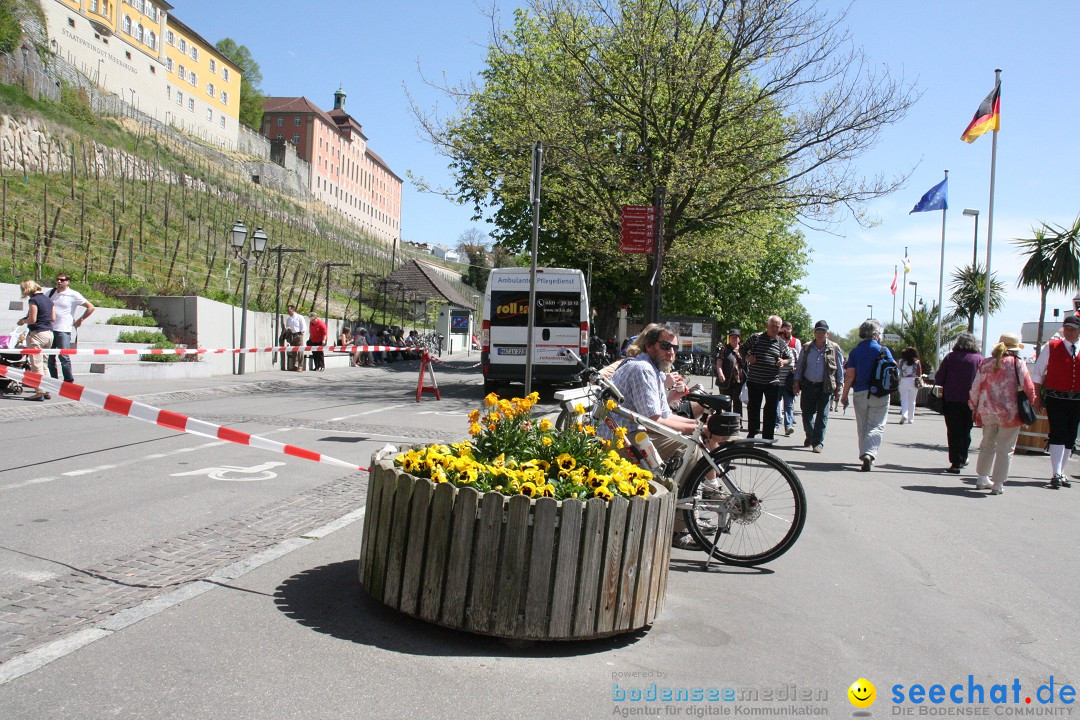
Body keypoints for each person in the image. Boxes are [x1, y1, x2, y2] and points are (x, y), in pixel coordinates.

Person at [603, 324, 716, 548]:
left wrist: (696, 426)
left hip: (634, 433)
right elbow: (654, 422)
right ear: (650, 346)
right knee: (689, 451)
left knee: (693, 441)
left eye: (675, 348)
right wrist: (694, 430)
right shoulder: (643, 369)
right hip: (621, 441)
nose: (671, 352)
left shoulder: (653, 370)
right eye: (665, 346)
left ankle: (683, 516)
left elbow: (663, 414)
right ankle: (678, 529)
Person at [968, 333, 1037, 495]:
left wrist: (973, 406)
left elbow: (975, 388)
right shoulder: (1017, 363)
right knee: (1005, 448)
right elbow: (1029, 387)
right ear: (1014, 349)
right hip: (1009, 413)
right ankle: (998, 483)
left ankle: (982, 478)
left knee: (987, 444)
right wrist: (1031, 402)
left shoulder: (985, 363)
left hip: (987, 410)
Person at [1030, 314, 1080, 488]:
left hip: (1077, 401)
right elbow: (1037, 373)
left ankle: (1061, 471)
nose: (1069, 332)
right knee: (1058, 433)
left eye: (1073, 329)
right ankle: (1056, 473)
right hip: (1055, 398)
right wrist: (1036, 397)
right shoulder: (1051, 346)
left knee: (1071, 436)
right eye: (1067, 329)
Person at [841, 319, 893, 472]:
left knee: (862, 426)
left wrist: (844, 396)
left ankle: (864, 454)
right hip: (880, 393)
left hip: (860, 392)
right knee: (876, 425)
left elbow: (850, 376)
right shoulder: (883, 350)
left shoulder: (855, 352)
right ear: (876, 334)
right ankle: (869, 453)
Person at [792, 320, 844, 453]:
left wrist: (839, 388)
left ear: (828, 333)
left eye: (822, 331)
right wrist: (796, 383)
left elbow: (839, 369)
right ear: (814, 333)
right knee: (807, 414)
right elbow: (799, 366)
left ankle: (817, 443)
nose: (819, 334)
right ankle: (810, 435)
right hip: (808, 384)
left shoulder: (835, 348)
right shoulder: (807, 347)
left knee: (823, 415)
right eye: (817, 331)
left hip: (825, 386)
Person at [934, 333, 983, 473]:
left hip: (951, 399)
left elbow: (939, 379)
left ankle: (955, 462)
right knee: (966, 430)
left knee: (953, 431)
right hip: (971, 401)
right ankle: (963, 457)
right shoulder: (979, 359)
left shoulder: (950, 357)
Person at [742, 315, 793, 440]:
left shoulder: (781, 342)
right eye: (772, 326)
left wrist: (783, 361)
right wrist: (748, 357)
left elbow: (790, 358)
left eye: (777, 326)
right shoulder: (756, 338)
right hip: (755, 380)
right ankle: (752, 432)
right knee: (753, 407)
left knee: (770, 409)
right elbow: (742, 349)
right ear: (767, 326)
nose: (775, 329)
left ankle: (768, 436)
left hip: (772, 381)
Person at [46, 273, 95, 384]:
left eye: (62, 280)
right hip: (50, 328)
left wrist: (80, 319)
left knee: (64, 356)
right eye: (57, 279)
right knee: (50, 357)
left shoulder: (73, 294)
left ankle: (68, 380)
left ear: (68, 281)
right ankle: (53, 380)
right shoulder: (51, 293)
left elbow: (91, 307)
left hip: (63, 330)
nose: (59, 282)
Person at [16, 280, 55, 401]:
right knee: (44, 363)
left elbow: (32, 319)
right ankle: (48, 389)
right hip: (49, 333)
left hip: (37, 333)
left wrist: (23, 321)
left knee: (36, 364)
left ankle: (40, 392)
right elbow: (53, 318)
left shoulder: (34, 300)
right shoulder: (48, 300)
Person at [774, 320, 801, 436]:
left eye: (786, 332)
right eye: (782, 333)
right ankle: (775, 425)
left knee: (789, 404)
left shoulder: (794, 347)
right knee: (775, 404)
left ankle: (788, 426)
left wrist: (797, 381)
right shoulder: (775, 347)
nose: (784, 336)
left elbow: (799, 362)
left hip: (788, 381)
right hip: (776, 380)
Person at [716, 329, 744, 420]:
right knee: (726, 401)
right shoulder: (725, 349)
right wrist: (720, 373)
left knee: (737, 402)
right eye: (732, 337)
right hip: (726, 380)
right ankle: (727, 420)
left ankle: (737, 421)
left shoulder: (742, 350)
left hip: (738, 381)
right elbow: (719, 361)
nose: (734, 339)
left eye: (736, 337)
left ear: (739, 339)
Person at [897, 347, 923, 425]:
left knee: (904, 399)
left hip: (904, 380)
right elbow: (919, 373)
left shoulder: (901, 361)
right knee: (912, 400)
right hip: (913, 381)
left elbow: (899, 371)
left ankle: (904, 414)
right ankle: (911, 419)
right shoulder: (917, 362)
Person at [282, 305, 306, 372]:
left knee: (300, 350)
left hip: (298, 334)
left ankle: (300, 366)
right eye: (288, 311)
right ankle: (295, 366)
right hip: (292, 335)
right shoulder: (289, 319)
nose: (288, 312)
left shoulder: (299, 317)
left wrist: (302, 333)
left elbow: (303, 326)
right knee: (293, 351)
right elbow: (287, 327)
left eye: (289, 311)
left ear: (293, 310)